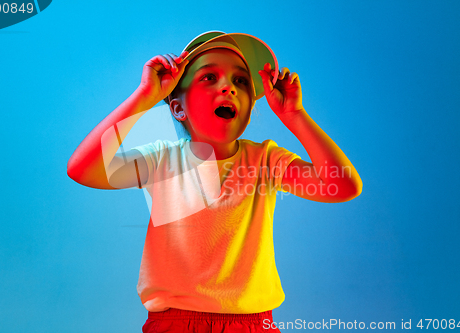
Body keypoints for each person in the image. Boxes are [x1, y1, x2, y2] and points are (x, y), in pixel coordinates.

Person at [67, 32, 362, 333]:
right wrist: (144, 96)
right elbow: (82, 169)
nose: (228, 87)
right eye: (209, 77)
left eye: (241, 81)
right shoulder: (161, 161)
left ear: (248, 109)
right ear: (177, 109)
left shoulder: (267, 161)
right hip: (174, 323)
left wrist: (295, 115)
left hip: (254, 324)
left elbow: (342, 185)